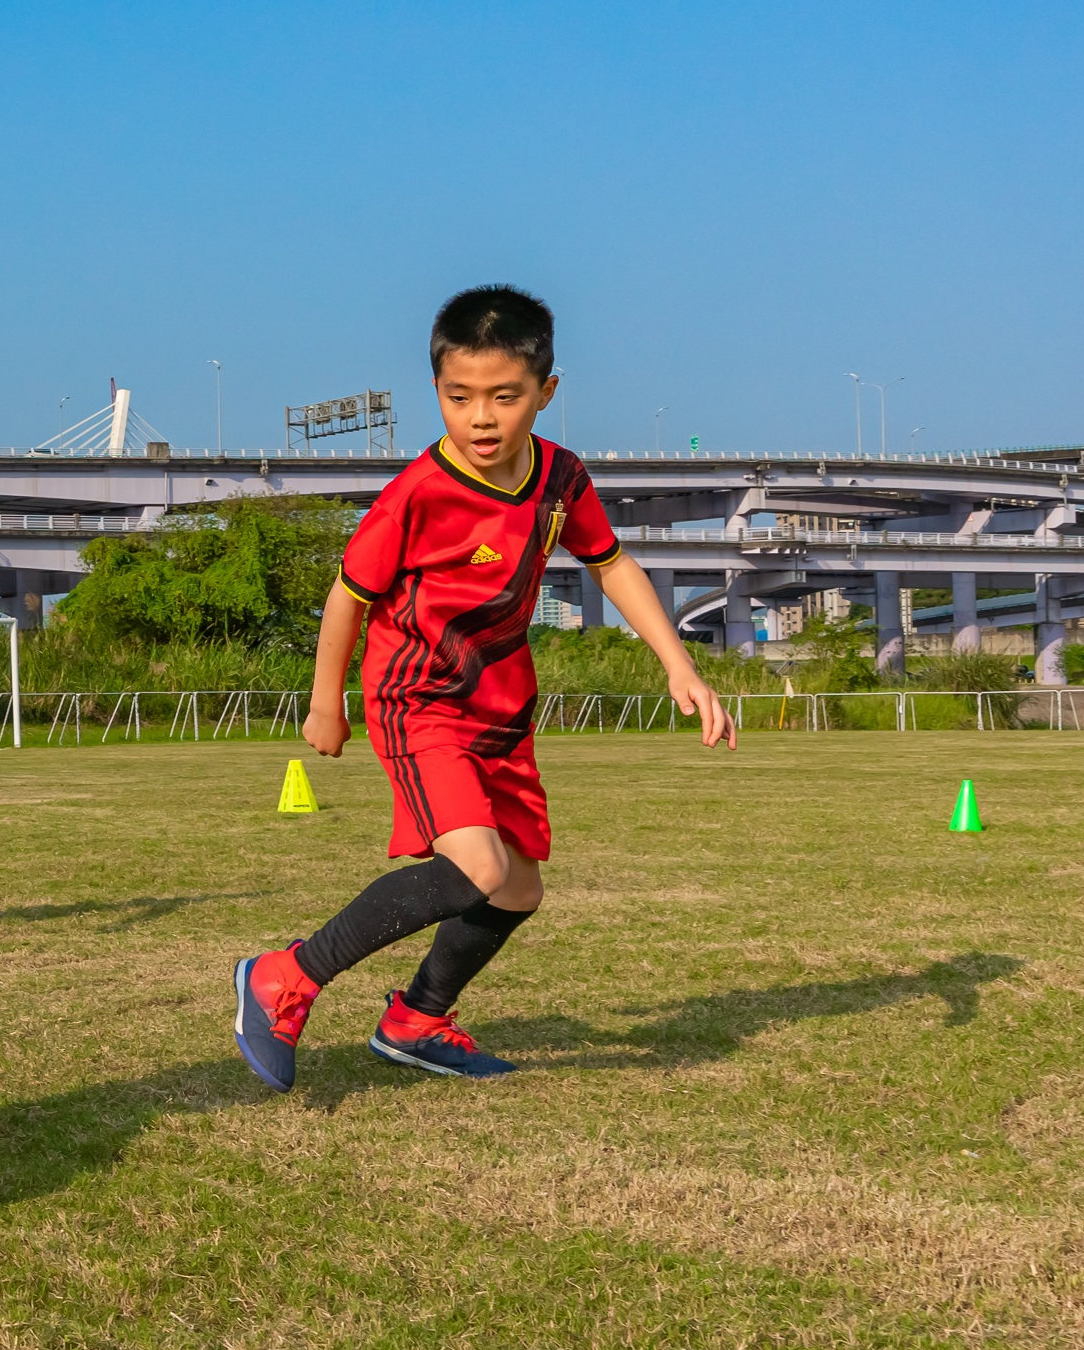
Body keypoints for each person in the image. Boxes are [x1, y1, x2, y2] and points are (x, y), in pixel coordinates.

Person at [234, 284, 733, 1091]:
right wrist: (328, 703)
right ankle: (284, 977)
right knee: (480, 869)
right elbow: (346, 598)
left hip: (501, 707)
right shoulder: (417, 494)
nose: (481, 418)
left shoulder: (559, 479)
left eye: (504, 397)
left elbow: (610, 563)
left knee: (520, 886)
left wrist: (679, 662)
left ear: (546, 392)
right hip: (417, 698)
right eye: (459, 397)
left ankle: (417, 1019)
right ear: (436, 391)